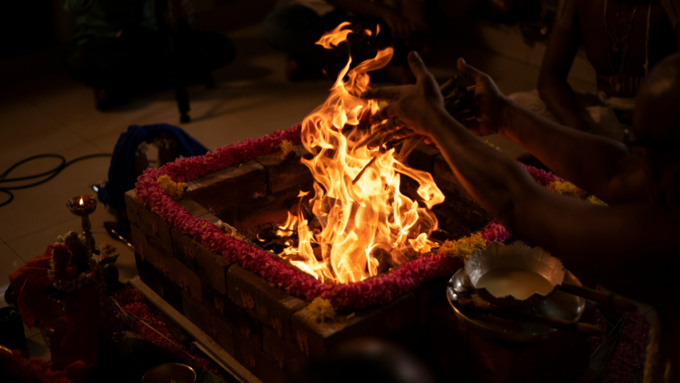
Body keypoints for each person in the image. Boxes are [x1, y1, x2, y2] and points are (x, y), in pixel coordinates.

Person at [362, 51, 680, 381]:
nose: (639, 160)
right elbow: (617, 173)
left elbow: (518, 203)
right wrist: (503, 116)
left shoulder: (669, 244)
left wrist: (435, 121)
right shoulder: (664, 176)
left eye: (644, 146)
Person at [510, 0, 679, 140]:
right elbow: (550, 77)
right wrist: (578, 127)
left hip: (659, 123)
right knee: (518, 108)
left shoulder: (668, 5)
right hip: (605, 118)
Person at [64, 0, 236, 110]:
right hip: (104, 41)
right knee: (81, 63)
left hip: (147, 40)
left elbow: (172, 22)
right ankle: (150, 79)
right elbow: (72, 6)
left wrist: (178, 12)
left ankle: (123, 85)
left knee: (222, 46)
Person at [262, 0, 429, 82]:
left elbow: (414, 14)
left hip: (370, 24)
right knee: (275, 26)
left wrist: (413, 32)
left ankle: (313, 60)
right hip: (319, 14)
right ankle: (380, 68)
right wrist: (385, 11)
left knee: (398, 46)